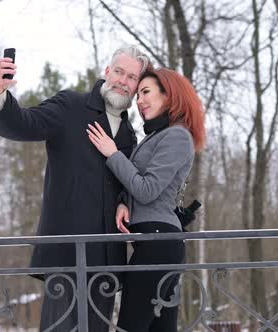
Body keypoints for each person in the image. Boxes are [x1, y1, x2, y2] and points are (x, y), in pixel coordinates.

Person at [0, 46, 150, 331]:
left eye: (132, 77)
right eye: (119, 72)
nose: (123, 80)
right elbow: (24, 124)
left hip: (107, 261)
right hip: (66, 255)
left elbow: (126, 182)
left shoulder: (129, 134)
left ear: (136, 87)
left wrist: (125, 201)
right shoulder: (70, 106)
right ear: (107, 72)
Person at [87, 67, 205, 331]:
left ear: (169, 95)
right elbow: (141, 188)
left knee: (131, 325)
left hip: (159, 244)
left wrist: (113, 154)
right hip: (152, 242)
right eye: (138, 95)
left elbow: (148, 189)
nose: (139, 101)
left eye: (146, 92)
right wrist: (122, 203)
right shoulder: (156, 136)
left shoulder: (177, 136)